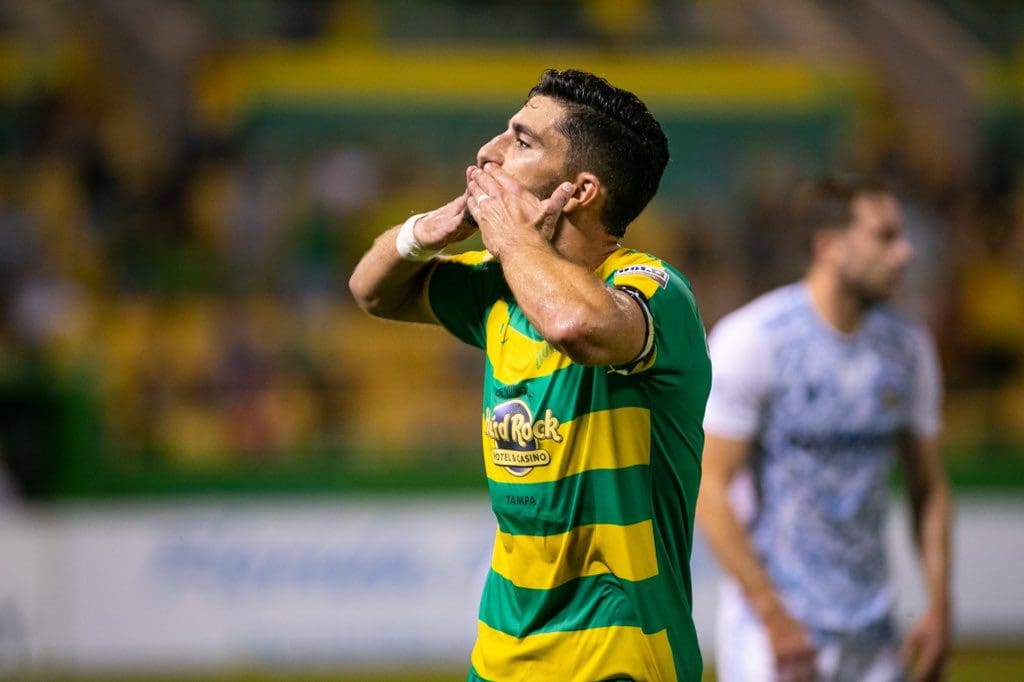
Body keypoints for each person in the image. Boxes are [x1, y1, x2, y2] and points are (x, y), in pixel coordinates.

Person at [349, 69, 710, 681]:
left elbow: (575, 323)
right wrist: (425, 233)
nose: (488, 151)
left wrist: (511, 241)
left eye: (521, 141)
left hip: (619, 652)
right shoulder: (501, 288)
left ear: (580, 190)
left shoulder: (653, 290)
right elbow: (372, 293)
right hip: (501, 654)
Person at [696, 175, 952, 682]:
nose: (904, 253)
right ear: (829, 247)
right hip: (773, 632)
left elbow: (930, 486)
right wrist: (772, 615)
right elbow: (709, 487)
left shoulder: (907, 347)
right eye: (885, 236)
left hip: (874, 634)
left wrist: (940, 602)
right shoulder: (755, 341)